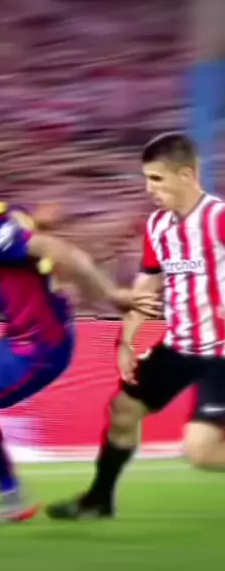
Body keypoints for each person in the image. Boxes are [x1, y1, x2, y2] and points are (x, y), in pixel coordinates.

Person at [0, 172, 160, 523]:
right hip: (18, 339)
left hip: (37, 348)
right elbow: (21, 227)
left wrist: (112, 295)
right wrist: (37, 223)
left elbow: (58, 251)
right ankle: (11, 497)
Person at [46, 132, 225, 522]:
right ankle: (98, 500)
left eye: (157, 179)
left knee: (202, 452)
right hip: (180, 346)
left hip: (222, 353)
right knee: (123, 410)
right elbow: (146, 288)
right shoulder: (158, 227)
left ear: (186, 175)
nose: (149, 189)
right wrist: (127, 341)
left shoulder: (218, 219)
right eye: (146, 179)